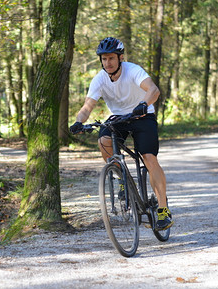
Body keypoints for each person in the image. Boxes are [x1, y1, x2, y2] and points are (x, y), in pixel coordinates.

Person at [69, 37, 173, 231]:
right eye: (104, 59)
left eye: (111, 58)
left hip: (142, 115)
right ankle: (121, 179)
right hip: (118, 117)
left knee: (149, 158)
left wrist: (144, 104)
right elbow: (87, 107)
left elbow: (153, 90)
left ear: (120, 58)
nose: (107, 63)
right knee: (103, 140)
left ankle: (162, 209)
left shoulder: (133, 70)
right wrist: (78, 122)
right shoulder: (99, 79)